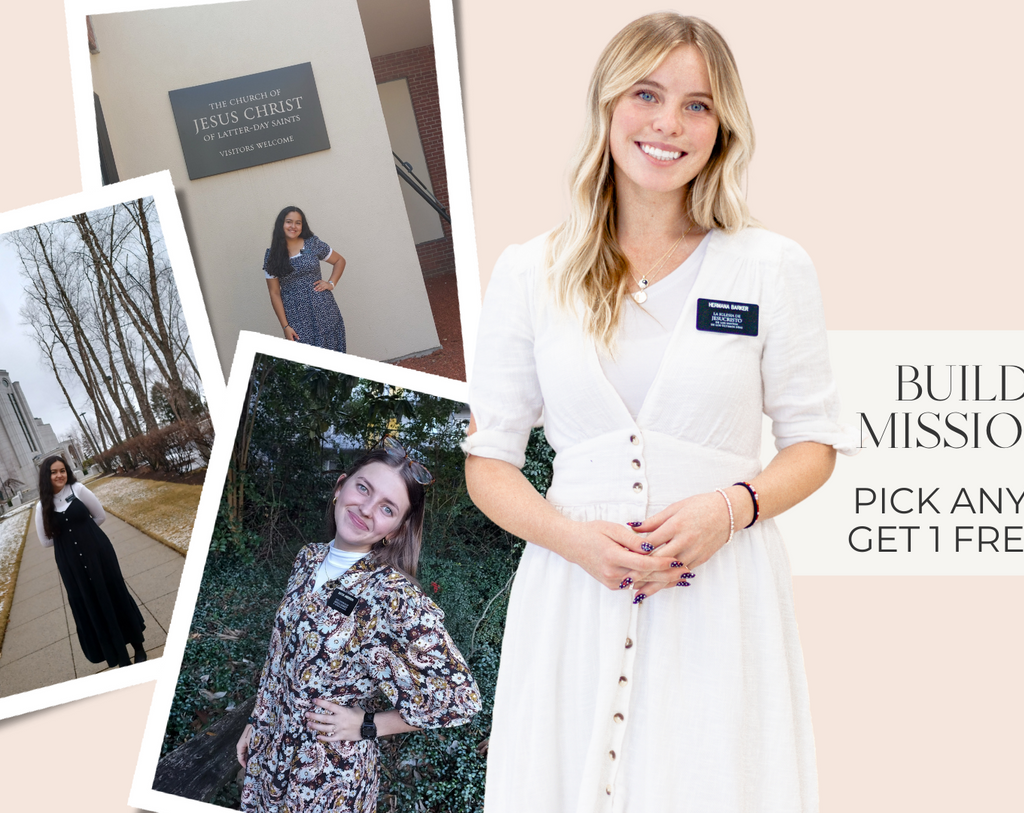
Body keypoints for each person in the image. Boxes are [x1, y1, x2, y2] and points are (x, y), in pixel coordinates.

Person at [464, 12, 852, 811]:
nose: (668, 124)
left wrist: (729, 507)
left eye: (698, 105)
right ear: (608, 106)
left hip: (719, 591)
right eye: (647, 94)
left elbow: (813, 441)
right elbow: (489, 462)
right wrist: (571, 539)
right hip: (572, 591)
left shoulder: (769, 266)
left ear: (723, 127)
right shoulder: (529, 271)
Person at [236, 441, 482, 813]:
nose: (366, 509)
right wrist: (257, 720)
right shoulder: (308, 558)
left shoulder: (391, 596)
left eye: (387, 508)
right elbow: (278, 656)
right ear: (340, 487)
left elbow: (461, 698)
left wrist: (368, 725)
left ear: (395, 530)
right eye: (363, 488)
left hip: (327, 780)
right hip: (270, 754)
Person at [34, 455, 147, 667]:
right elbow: (45, 541)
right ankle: (117, 656)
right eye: (54, 472)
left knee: (115, 596)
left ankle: (138, 647)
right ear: (45, 476)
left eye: (62, 470)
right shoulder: (42, 507)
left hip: (99, 555)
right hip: (72, 566)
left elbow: (100, 516)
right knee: (91, 604)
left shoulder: (78, 490)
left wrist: (86, 536)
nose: (59, 475)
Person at [263, 205, 347, 352]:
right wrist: (285, 326)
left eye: (298, 222)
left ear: (302, 225)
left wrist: (331, 283)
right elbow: (274, 293)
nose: (293, 226)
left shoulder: (312, 243)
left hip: (325, 310)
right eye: (289, 222)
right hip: (296, 318)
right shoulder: (272, 256)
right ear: (281, 224)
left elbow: (340, 261)